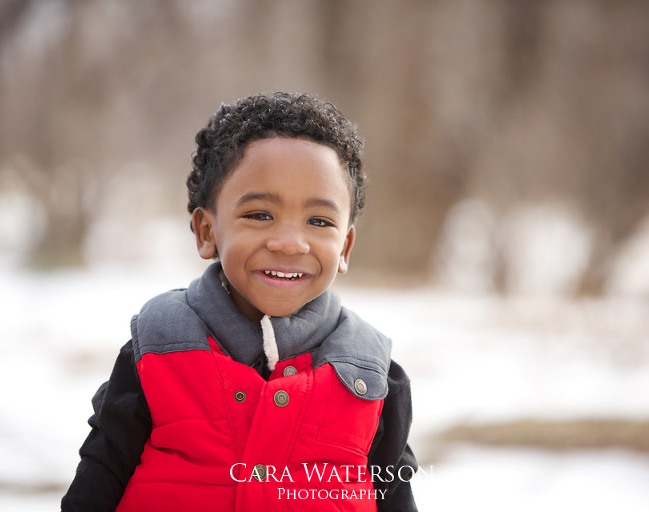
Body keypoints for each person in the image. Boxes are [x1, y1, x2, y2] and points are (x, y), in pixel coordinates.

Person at [61, 92, 418, 511]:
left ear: (345, 246)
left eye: (319, 221)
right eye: (260, 214)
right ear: (206, 231)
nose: (290, 243)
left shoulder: (372, 377)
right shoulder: (158, 348)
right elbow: (94, 488)